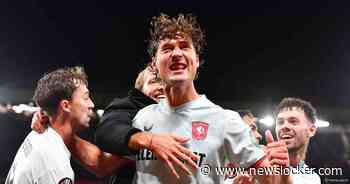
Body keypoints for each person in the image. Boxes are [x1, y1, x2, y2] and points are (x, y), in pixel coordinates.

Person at [131, 13, 291, 184]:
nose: (177, 53)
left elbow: (269, 180)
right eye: (167, 48)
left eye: (184, 46)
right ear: (154, 64)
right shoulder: (141, 118)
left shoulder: (226, 120)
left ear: (197, 61)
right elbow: (103, 165)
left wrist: (281, 169)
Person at [30, 66, 198, 183]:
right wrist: (56, 124)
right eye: (155, 81)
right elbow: (102, 157)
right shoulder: (132, 114)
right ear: (140, 91)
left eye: (167, 81)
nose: (163, 87)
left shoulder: (200, 118)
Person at [5, 66, 97, 184]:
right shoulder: (55, 164)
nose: (92, 104)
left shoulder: (39, 135)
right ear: (66, 106)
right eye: (86, 98)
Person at [275, 97, 321, 183]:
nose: (284, 126)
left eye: (293, 121)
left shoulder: (313, 179)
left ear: (311, 130)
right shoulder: (262, 166)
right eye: (280, 122)